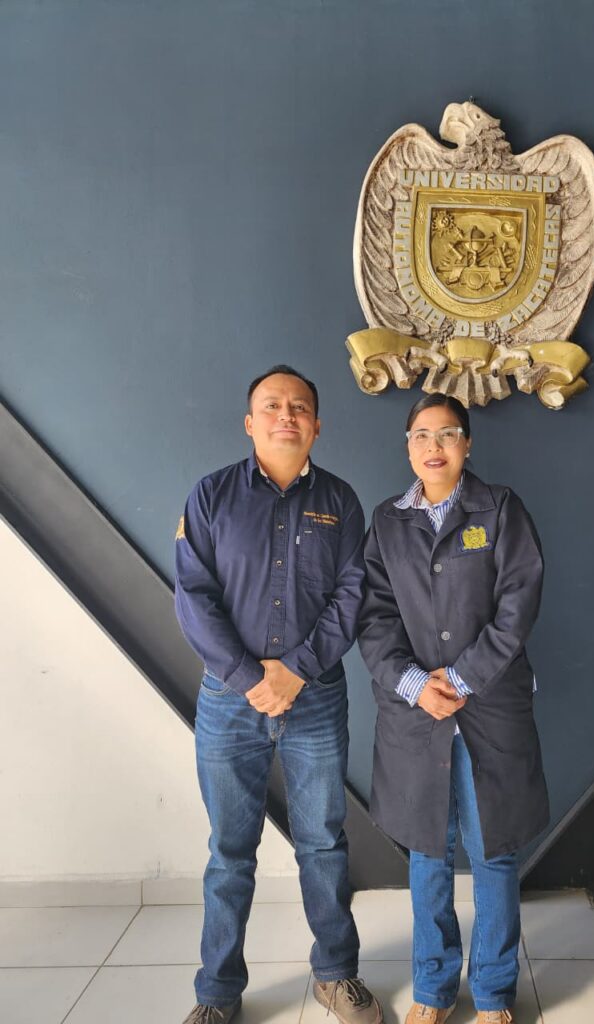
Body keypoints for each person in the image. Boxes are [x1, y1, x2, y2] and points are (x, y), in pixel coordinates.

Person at [175, 365, 382, 1024]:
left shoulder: (341, 502)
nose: (285, 415)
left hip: (314, 698)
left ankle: (336, 974)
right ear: (250, 422)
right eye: (271, 405)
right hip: (227, 701)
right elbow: (193, 596)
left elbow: (352, 596)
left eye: (299, 407)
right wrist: (249, 678)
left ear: (317, 425)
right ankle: (217, 993)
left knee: (323, 842)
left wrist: (295, 671)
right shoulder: (211, 496)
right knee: (229, 852)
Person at [358, 394, 549, 1024]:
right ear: (407, 446)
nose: (433, 446)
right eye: (421, 435)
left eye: (447, 433)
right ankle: (433, 988)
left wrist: (464, 677)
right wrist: (416, 684)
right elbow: (374, 618)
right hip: (417, 714)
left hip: (489, 708)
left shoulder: (500, 509)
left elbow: (518, 603)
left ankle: (493, 991)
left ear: (467, 443)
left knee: (494, 850)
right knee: (427, 852)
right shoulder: (387, 521)